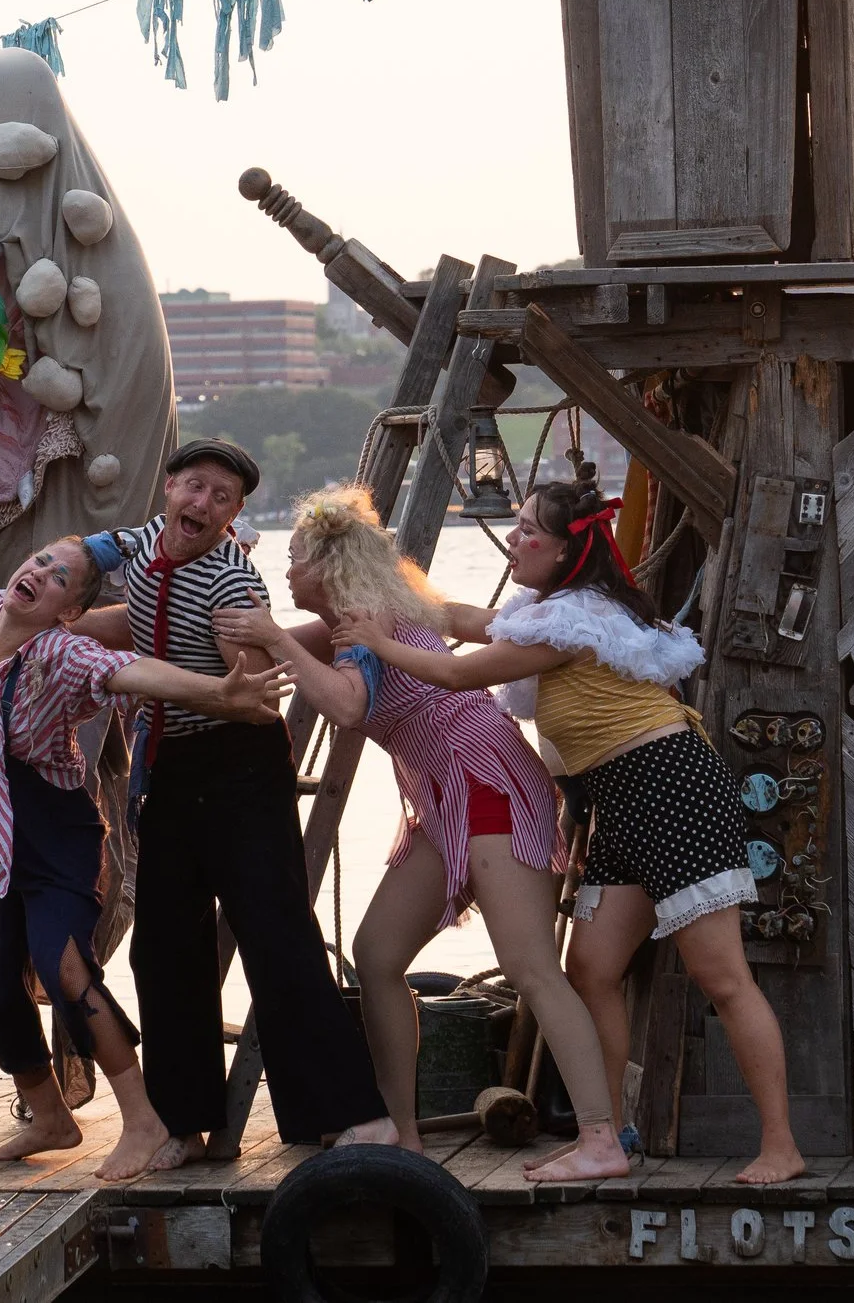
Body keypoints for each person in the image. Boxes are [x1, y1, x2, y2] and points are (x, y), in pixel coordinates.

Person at [330, 474, 805, 1185]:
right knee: (589, 969)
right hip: (622, 798)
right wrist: (387, 590)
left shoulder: (573, 622)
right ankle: (605, 1134)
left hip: (672, 788)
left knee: (724, 977)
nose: (513, 539)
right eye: (516, 525)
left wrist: (379, 640)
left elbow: (456, 674)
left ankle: (781, 1146)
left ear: (565, 553)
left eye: (529, 532)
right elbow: (464, 619)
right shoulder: (549, 608)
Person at [212, 485, 629, 1182]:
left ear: (332, 565)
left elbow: (345, 702)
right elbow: (287, 658)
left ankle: (601, 1138)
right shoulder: (358, 619)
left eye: (296, 559)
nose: (286, 573)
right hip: (442, 797)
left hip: (485, 775)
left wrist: (275, 635)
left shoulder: (366, 617)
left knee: (529, 965)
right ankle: (401, 1131)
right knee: (376, 953)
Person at [0, 526, 291, 1180]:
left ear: (67, 611)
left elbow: (131, 669)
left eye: (59, 576)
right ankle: (50, 1116)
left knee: (63, 966)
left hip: (55, 831)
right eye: (39, 560)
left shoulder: (63, 652)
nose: (38, 572)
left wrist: (219, 693)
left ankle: (142, 1118)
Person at [74, 440, 395, 1164]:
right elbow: (131, 611)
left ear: (234, 517)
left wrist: (204, 682)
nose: (203, 505)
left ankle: (353, 1114)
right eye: (195, 487)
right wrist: (58, 630)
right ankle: (182, 1122)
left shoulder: (230, 582)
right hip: (172, 768)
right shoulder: (145, 544)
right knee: (162, 945)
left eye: (222, 498)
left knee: (274, 933)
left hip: (239, 761)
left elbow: (252, 700)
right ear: (169, 489)